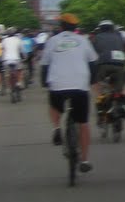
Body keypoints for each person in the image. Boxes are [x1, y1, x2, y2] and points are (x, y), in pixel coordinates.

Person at [41, 12, 95, 174]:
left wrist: (45, 82)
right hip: (80, 85)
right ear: (76, 27)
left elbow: (45, 65)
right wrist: (91, 81)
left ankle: (56, 128)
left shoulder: (52, 41)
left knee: (54, 104)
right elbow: (93, 62)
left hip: (58, 84)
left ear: (61, 26)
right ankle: (84, 160)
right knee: (83, 124)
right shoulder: (83, 41)